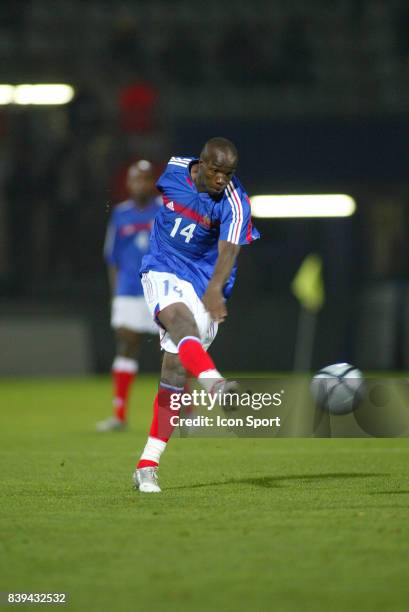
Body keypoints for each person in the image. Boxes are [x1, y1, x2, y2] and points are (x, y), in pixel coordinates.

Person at [133, 137, 260, 492]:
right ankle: (214, 384)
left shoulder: (236, 202)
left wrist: (215, 288)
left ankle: (147, 463)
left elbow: (229, 249)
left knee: (174, 370)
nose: (222, 179)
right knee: (181, 323)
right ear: (201, 165)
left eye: (229, 173)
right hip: (161, 266)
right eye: (217, 171)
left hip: (205, 279)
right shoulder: (174, 169)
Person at [97, 160, 160, 432]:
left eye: (145, 179)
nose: (140, 185)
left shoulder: (165, 212)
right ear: (128, 183)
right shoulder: (121, 214)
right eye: (135, 180)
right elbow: (112, 258)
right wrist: (116, 297)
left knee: (174, 351)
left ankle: (188, 413)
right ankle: (119, 415)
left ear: (153, 183)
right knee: (125, 345)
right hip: (128, 290)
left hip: (160, 289)